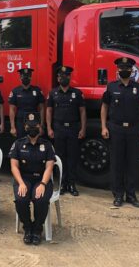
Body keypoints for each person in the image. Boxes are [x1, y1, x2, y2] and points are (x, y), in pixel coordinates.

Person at [101, 57, 139, 208]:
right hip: (116, 129)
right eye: (122, 67)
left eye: (127, 68)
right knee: (116, 163)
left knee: (132, 163)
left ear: (131, 70)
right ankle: (117, 195)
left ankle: (131, 195)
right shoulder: (111, 87)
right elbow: (104, 107)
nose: (124, 70)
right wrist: (104, 127)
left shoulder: (138, 87)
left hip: (134, 130)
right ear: (117, 70)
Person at [9, 113, 56, 245]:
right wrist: (21, 183)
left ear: (40, 126)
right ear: (25, 127)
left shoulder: (47, 145)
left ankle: (37, 228)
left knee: (41, 199)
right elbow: (14, 166)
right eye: (29, 126)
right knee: (21, 199)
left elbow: (49, 168)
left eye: (35, 125)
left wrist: (42, 184)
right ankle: (27, 227)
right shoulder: (18, 144)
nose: (32, 128)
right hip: (24, 179)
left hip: (42, 179)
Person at [46, 66, 86, 196]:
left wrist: (83, 128)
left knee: (72, 157)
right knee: (60, 157)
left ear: (70, 77)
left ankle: (72, 184)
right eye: (61, 76)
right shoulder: (53, 93)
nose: (63, 78)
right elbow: (49, 111)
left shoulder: (77, 93)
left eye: (66, 75)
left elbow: (82, 111)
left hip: (73, 128)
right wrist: (49, 127)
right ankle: (62, 184)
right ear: (58, 78)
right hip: (59, 128)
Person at [9, 68, 45, 138]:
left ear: (31, 77)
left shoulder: (37, 90)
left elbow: (41, 108)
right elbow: (12, 109)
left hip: (34, 123)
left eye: (28, 76)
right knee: (21, 145)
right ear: (20, 77)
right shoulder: (15, 91)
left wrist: (41, 125)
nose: (26, 78)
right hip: (20, 123)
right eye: (23, 76)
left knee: (34, 145)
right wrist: (12, 127)